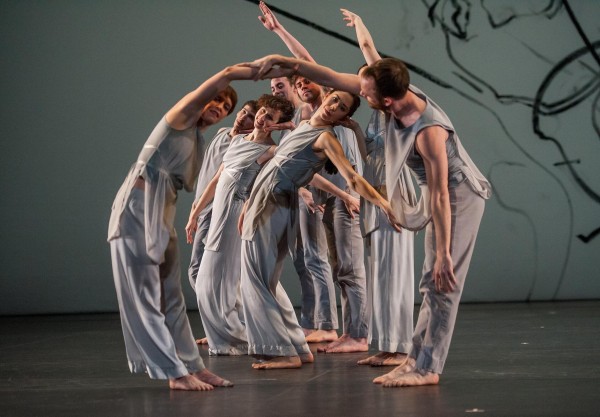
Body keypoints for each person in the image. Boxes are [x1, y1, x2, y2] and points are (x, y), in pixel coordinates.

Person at [245, 19, 491, 385]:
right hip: (431, 194)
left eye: (365, 95)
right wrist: (285, 59)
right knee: (430, 282)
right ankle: (416, 360)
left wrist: (443, 253)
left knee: (441, 280)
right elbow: (335, 67)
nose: (358, 94)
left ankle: (426, 368)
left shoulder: (429, 132)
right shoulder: (391, 86)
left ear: (385, 101)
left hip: (458, 195)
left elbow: (440, 194)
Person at [107, 63, 259, 391]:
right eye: (216, 100)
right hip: (137, 212)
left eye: (226, 107)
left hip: (162, 215)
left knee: (172, 297)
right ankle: (173, 373)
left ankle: (193, 366)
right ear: (201, 99)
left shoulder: (197, 137)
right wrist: (245, 71)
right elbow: (221, 78)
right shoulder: (179, 118)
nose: (220, 108)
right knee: (145, 295)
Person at [238, 89, 400, 370]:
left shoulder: (326, 138)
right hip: (266, 200)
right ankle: (297, 348)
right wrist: (248, 204)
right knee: (263, 279)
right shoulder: (304, 125)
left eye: (341, 107)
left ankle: (283, 352)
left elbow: (352, 177)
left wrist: (384, 204)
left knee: (256, 279)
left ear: (343, 118)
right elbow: (285, 164)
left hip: (274, 203)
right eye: (333, 98)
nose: (333, 105)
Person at [258, 2, 368, 350]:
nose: (303, 85)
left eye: (309, 81)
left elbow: (306, 60)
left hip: (339, 189)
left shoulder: (330, 107)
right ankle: (330, 325)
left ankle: (351, 331)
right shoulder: (307, 113)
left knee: (345, 264)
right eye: (297, 83)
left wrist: (279, 31)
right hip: (316, 190)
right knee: (319, 259)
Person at [185, 94, 294, 355]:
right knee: (210, 281)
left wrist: (288, 128)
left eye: (270, 117)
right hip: (219, 211)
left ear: (277, 124)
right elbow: (217, 178)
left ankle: (237, 337)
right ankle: (228, 336)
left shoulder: (271, 150)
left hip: (237, 214)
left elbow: (295, 155)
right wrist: (195, 213)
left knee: (217, 280)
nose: (262, 117)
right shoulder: (237, 141)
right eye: (262, 112)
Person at [341, 9, 416, 367]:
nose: (363, 88)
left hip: (393, 194)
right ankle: (387, 345)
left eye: (368, 83)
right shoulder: (375, 113)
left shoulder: (394, 108)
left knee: (395, 271)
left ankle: (400, 346)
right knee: (381, 273)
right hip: (377, 194)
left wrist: (361, 28)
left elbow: (372, 55)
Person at [187, 100, 258, 298]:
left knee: (199, 270)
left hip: (218, 211)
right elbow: (208, 174)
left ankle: (225, 315)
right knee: (202, 270)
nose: (243, 118)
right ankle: (227, 315)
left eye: (250, 116)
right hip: (203, 209)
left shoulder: (245, 145)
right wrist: (196, 207)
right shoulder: (222, 133)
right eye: (243, 112)